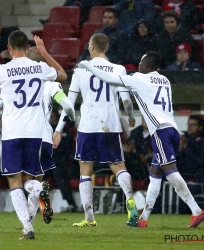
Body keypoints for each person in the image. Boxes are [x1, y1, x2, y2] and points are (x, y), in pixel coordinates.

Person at [78, 50, 204, 228]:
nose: (138, 65)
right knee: (155, 173)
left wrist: (88, 65)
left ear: (148, 65)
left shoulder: (139, 78)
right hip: (173, 129)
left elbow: (109, 79)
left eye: (141, 62)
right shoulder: (165, 80)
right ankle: (143, 218)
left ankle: (196, 210)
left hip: (160, 131)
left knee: (171, 172)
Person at [0, 31, 67, 240]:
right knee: (31, 178)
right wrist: (45, 53)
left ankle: (28, 228)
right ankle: (39, 189)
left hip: (12, 132)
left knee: (15, 182)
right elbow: (63, 75)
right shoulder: (39, 68)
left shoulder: (2, 70)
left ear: (9, 49)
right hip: (35, 132)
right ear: (28, 47)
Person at [54, 33, 139, 227]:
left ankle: (89, 216)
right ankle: (129, 200)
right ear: (106, 47)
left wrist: (58, 129)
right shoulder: (119, 69)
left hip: (88, 124)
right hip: (110, 124)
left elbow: (69, 104)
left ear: (91, 46)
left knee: (85, 169)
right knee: (118, 165)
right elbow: (125, 99)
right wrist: (131, 116)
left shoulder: (81, 69)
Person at [0, 46, 76, 221]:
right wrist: (62, 127)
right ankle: (30, 220)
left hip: (20, 133)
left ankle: (28, 223)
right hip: (44, 137)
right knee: (35, 181)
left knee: (22, 182)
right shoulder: (50, 82)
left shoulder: (11, 79)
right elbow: (68, 106)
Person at [177, 115, 204, 189]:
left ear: (200, 127)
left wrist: (186, 147)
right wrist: (180, 148)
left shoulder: (202, 140)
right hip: (181, 169)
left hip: (196, 172)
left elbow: (200, 160)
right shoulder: (184, 138)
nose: (189, 127)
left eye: (193, 125)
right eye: (188, 124)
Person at [122, 117, 151, 187]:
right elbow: (127, 145)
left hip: (147, 172)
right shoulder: (135, 132)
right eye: (144, 118)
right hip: (132, 169)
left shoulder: (158, 134)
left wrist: (135, 151)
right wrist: (125, 149)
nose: (146, 121)